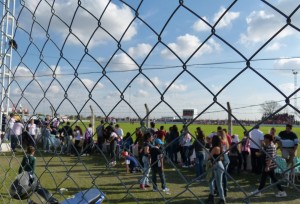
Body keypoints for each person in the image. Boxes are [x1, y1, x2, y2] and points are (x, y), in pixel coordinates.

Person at [206, 135, 225, 204]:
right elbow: (222, 157)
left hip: (217, 166)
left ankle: (222, 199)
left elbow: (209, 157)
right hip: (218, 164)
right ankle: (212, 195)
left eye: (212, 139)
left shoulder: (215, 148)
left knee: (219, 184)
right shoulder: (220, 147)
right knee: (210, 180)